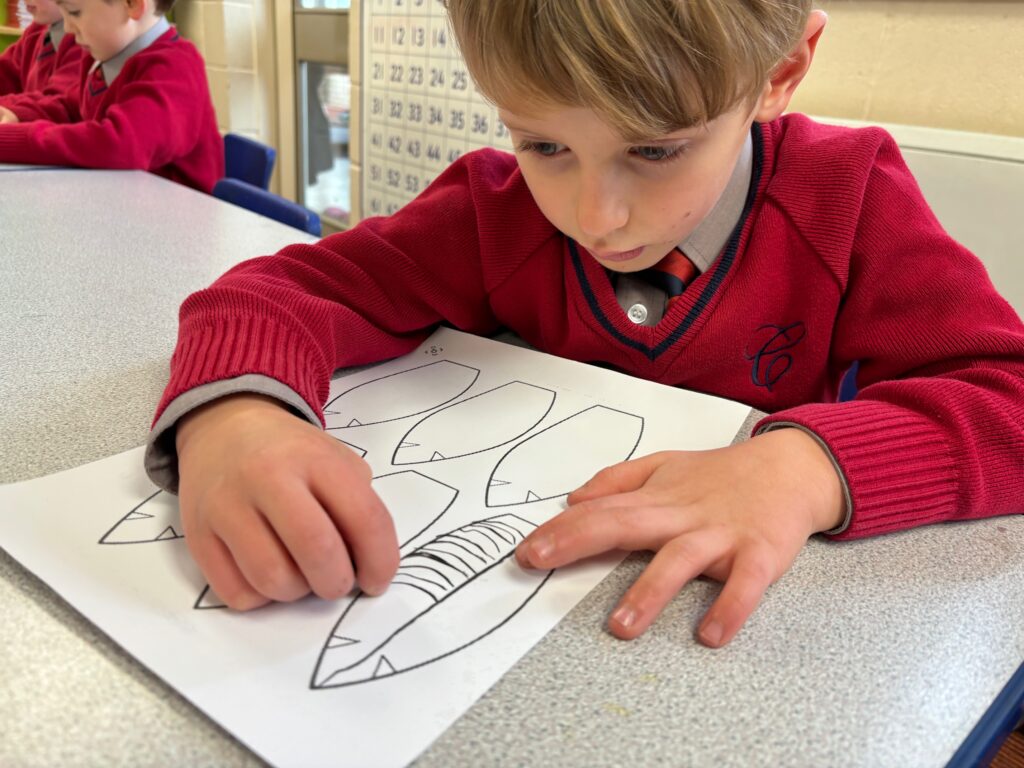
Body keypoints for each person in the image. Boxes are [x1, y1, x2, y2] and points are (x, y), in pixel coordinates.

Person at [145, 0, 1024, 647]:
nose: (593, 214)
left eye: (655, 149)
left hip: (760, 632)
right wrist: (234, 420)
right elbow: (273, 295)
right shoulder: (493, 213)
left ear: (780, 75)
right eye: (544, 145)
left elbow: (1011, 400)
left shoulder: (849, 196)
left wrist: (805, 467)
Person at [0, 0, 222, 192]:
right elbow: (69, 107)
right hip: (123, 208)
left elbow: (119, 144)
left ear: (132, 4)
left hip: (176, 229)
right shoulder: (103, 59)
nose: (67, 28)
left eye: (75, 12)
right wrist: (16, 115)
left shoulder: (175, 68)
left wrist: (12, 141)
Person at [0, 0, 83, 100]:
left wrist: (12, 110)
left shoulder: (86, 45)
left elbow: (57, 102)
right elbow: (8, 70)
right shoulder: (37, 30)